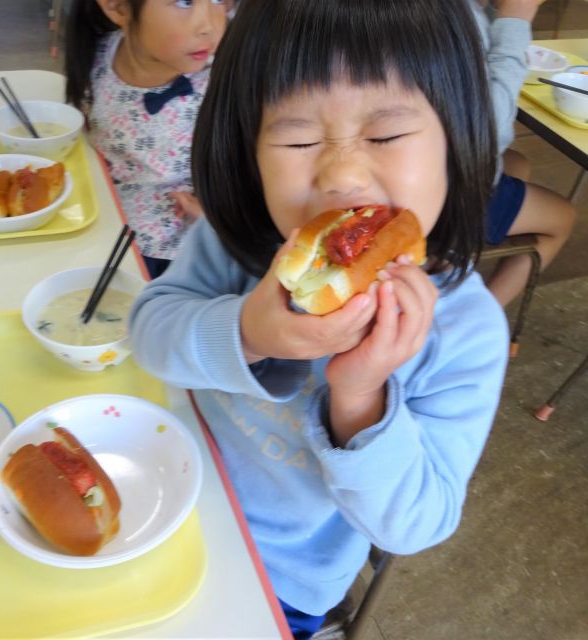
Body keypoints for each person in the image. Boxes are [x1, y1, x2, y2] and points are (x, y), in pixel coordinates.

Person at [130, 0, 509, 637]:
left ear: (455, 136)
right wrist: (248, 331)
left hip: (278, 580)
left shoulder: (465, 330)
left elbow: (417, 525)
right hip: (162, 495)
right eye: (299, 138)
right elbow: (149, 335)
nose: (342, 174)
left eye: (386, 135)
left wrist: (359, 397)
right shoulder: (234, 244)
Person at [64, 0, 228, 279]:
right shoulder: (97, 56)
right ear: (117, 8)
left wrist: (217, 216)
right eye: (184, 2)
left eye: (219, 0)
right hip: (101, 232)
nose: (210, 26)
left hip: (187, 252)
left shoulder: (225, 79)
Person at [470, 0, 576, 306]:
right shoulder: (448, 17)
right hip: (438, 192)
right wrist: (517, 17)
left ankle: (455, 263)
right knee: (563, 217)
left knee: (518, 163)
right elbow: (489, 131)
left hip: (427, 170)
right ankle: (479, 322)